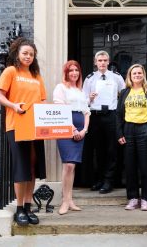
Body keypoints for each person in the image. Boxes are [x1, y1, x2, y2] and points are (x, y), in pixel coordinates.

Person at [0, 37, 47, 226]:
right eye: (25, 53)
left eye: (31, 54)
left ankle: (27, 206)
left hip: (35, 126)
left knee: (33, 167)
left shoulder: (36, 76)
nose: (28, 56)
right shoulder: (11, 71)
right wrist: (14, 105)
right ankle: (19, 209)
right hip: (16, 125)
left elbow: (42, 101)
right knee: (21, 167)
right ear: (17, 54)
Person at [116, 64, 147, 211]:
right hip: (128, 129)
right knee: (130, 166)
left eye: (139, 73)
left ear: (143, 75)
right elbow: (118, 114)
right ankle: (133, 197)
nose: (136, 75)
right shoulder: (124, 92)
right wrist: (120, 133)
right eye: (134, 73)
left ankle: (146, 198)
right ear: (129, 76)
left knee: (145, 165)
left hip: (144, 129)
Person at [83, 50, 125, 194]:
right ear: (95, 62)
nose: (102, 63)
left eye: (104, 60)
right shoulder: (89, 78)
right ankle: (99, 179)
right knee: (98, 149)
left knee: (111, 149)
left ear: (108, 62)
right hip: (95, 116)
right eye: (99, 60)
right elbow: (84, 100)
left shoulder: (116, 77)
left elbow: (124, 96)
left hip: (111, 115)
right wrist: (90, 98)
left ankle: (109, 181)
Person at [53, 60, 90, 215]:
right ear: (66, 73)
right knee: (67, 165)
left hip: (80, 130)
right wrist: (72, 128)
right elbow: (60, 107)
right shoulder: (61, 88)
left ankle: (70, 200)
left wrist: (84, 130)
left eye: (76, 70)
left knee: (72, 165)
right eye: (71, 70)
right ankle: (64, 201)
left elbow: (86, 112)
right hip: (64, 128)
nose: (74, 73)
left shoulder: (81, 91)